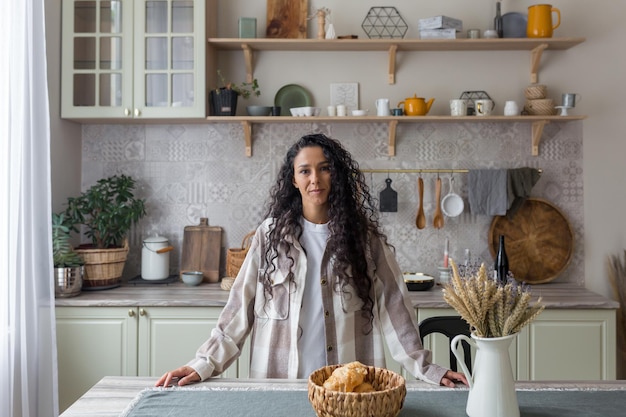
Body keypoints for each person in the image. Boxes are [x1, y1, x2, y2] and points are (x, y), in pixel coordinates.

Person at [156, 133, 467, 388]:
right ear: (293, 179)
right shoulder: (269, 236)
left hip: (347, 390)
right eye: (305, 170)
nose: (315, 178)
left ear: (336, 174)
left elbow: (396, 308)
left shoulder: (364, 238)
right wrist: (203, 364)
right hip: (279, 387)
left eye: (325, 168)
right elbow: (238, 311)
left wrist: (428, 369)